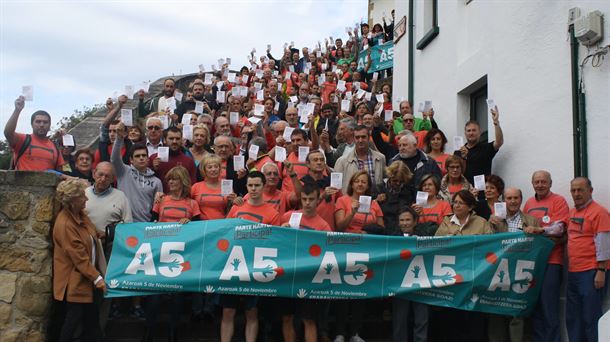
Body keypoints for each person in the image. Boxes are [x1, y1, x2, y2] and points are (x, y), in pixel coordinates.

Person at [223, 171, 280, 342]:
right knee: (228, 312)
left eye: (257, 185)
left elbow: (274, 243)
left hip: (256, 267)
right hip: (233, 265)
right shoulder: (236, 208)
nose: (253, 189)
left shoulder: (273, 213)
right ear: (246, 186)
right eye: (250, 185)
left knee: (252, 313)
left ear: (264, 186)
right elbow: (225, 233)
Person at [145, 166, 200, 342]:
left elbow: (198, 230)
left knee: (177, 296)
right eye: (169, 180)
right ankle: (149, 331)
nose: (170, 182)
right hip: (160, 252)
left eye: (174, 179)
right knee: (154, 295)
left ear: (182, 181)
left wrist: (189, 222)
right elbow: (151, 223)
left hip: (181, 255)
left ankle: (173, 332)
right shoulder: (161, 200)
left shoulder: (192, 204)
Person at [53, 178, 106, 342]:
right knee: (72, 323)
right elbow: (79, 258)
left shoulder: (80, 215)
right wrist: (97, 279)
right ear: (73, 200)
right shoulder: (66, 224)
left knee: (91, 322)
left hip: (85, 280)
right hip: (74, 283)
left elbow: (94, 234)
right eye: (83, 195)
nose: (87, 198)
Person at [435, 190, 492, 341]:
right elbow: (435, 245)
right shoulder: (446, 222)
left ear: (470, 206)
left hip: (475, 274)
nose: (456, 205)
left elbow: (491, 247)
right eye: (455, 202)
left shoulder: (481, 222)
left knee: (474, 314)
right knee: (452, 315)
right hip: (451, 275)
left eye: (461, 203)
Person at [279, 182, 331, 342]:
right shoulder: (288, 217)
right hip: (287, 274)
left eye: (311, 199)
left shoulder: (323, 226)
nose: (308, 202)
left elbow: (326, 253)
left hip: (310, 277)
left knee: (308, 320)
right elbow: (277, 243)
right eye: (305, 199)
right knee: (287, 317)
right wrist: (282, 229)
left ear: (318, 200)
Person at [487, 187, 539, 342]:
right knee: (495, 311)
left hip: (520, 270)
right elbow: (487, 245)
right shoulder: (495, 220)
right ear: (504, 201)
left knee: (516, 312)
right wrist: (491, 225)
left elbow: (538, 245)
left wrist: (535, 232)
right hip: (498, 271)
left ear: (521, 199)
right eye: (509, 198)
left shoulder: (531, 220)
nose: (512, 201)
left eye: (516, 198)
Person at [522, 170, 569, 342]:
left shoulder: (559, 201)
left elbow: (559, 229)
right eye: (537, 182)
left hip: (551, 262)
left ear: (550, 183)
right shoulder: (528, 203)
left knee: (549, 309)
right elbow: (523, 232)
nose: (540, 185)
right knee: (535, 308)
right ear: (532, 183)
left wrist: (540, 230)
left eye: (544, 181)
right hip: (532, 264)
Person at [564, 177, 609, 342]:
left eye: (580, 190)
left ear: (590, 191)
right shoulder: (572, 212)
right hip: (574, 272)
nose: (576, 194)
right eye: (573, 190)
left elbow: (604, 243)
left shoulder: (599, 212)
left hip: (591, 272)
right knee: (573, 317)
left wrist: (601, 271)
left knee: (591, 318)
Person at [392, 207, 429, 342]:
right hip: (400, 284)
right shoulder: (392, 239)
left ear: (415, 222)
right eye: (401, 220)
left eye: (408, 220)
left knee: (421, 319)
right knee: (400, 319)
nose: (405, 223)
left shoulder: (424, 237)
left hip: (421, 283)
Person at [111, 130, 163, 223]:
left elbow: (159, 206)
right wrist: (119, 138)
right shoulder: (124, 172)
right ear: (131, 159)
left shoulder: (157, 182)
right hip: (124, 223)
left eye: (144, 155)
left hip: (146, 224)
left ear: (148, 159)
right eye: (137, 156)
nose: (141, 158)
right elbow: (114, 159)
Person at [5, 96, 64, 171]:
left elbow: (59, 172)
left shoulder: (55, 147)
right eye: (38, 121)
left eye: (45, 122)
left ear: (49, 125)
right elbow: (8, 133)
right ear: (32, 124)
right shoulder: (23, 139)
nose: (42, 125)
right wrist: (17, 110)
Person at [454, 106, 504, 183]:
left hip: (482, 192)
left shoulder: (486, 148)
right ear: (465, 133)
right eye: (469, 131)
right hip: (464, 192)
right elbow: (456, 174)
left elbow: (499, 142)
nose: (471, 133)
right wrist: (463, 158)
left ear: (479, 132)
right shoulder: (458, 152)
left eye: (474, 130)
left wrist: (496, 122)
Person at [334, 125, 386, 195]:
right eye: (357, 137)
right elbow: (336, 188)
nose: (360, 140)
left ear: (368, 138)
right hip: (350, 203)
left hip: (374, 202)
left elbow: (384, 182)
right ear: (353, 139)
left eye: (363, 137)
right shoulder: (341, 161)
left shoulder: (380, 158)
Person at [149, 126, 197, 192]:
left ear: (181, 140)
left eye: (177, 139)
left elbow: (192, 185)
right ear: (164, 140)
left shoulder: (189, 161)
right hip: (158, 199)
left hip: (180, 200)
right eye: (171, 138)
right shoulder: (154, 158)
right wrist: (154, 169)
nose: (174, 141)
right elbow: (145, 182)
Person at [191, 155, 237, 220]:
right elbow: (186, 203)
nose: (213, 169)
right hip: (201, 225)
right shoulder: (196, 187)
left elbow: (230, 208)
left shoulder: (226, 185)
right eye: (209, 167)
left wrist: (234, 201)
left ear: (220, 169)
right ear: (204, 170)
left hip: (221, 224)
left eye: (216, 166)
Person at [376, 160, 415, 234]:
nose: (398, 183)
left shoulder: (408, 191)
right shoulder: (378, 189)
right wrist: (376, 201)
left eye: (401, 181)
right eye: (395, 181)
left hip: (401, 232)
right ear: (389, 176)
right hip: (383, 231)